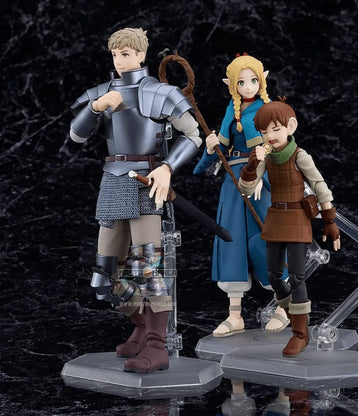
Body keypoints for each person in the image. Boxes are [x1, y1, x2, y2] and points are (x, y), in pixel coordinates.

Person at [69, 28, 202, 373]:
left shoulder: (158, 93)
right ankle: (142, 328)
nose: (120, 59)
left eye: (126, 53)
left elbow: (193, 135)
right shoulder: (103, 93)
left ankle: (157, 346)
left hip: (147, 183)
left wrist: (168, 168)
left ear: (141, 55)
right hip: (112, 182)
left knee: (146, 268)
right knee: (104, 277)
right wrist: (96, 107)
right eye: (115, 54)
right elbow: (76, 135)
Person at [193, 55, 288, 337]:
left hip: (260, 179)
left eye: (253, 80)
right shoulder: (230, 110)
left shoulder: (268, 109)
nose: (248, 87)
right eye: (241, 82)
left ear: (262, 80)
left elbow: (278, 146)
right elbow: (219, 151)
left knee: (265, 239)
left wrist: (261, 174)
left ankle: (284, 306)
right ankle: (235, 314)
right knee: (230, 240)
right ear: (232, 84)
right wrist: (211, 146)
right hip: (233, 181)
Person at [239, 98, 340, 356]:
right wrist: (252, 165)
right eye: (264, 132)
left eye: (275, 129)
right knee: (274, 275)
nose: (270, 136)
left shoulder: (300, 155)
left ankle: (300, 333)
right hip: (275, 217)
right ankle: (290, 312)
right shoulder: (266, 157)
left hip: (296, 218)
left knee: (296, 277)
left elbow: (319, 184)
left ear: (290, 127)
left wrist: (330, 220)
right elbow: (246, 189)